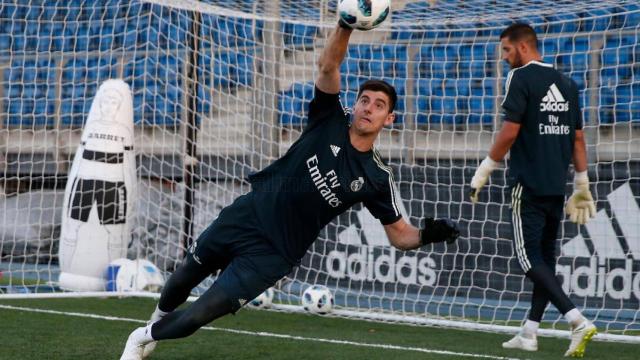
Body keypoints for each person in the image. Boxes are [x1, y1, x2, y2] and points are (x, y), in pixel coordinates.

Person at [120, 21, 460, 360]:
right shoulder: (330, 118)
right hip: (247, 215)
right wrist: (345, 25)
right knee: (181, 279)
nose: (368, 108)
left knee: (199, 314)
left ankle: (140, 337)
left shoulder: (376, 177)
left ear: (389, 119)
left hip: (274, 254)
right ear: (354, 106)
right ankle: (157, 321)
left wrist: (427, 235)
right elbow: (328, 66)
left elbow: (400, 236)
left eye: (379, 105)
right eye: (364, 100)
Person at [469, 23, 597, 357]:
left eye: (507, 51)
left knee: (528, 261)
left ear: (523, 47)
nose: (505, 58)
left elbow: (510, 131)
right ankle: (529, 332)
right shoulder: (567, 84)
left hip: (527, 186)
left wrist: (485, 168)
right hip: (556, 187)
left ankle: (577, 321)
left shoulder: (521, 78)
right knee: (545, 261)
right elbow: (579, 138)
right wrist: (582, 183)